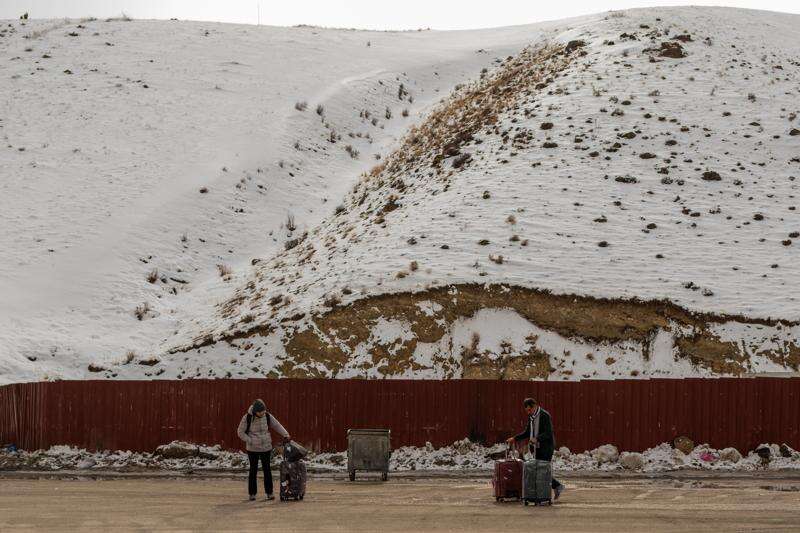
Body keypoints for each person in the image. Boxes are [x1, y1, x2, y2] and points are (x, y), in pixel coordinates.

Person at [506, 397, 565, 499]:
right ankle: (546, 490)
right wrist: (514, 438)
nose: (528, 412)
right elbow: (527, 432)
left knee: (542, 470)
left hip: (546, 447)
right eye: (527, 411)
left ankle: (553, 489)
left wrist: (537, 439)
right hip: (536, 448)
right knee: (537, 470)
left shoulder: (544, 415)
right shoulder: (531, 417)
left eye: (529, 410)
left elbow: (548, 433)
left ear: (535, 406)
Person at [237, 398, 291, 501]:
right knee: (253, 470)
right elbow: (240, 432)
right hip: (252, 449)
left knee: (267, 470)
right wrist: (250, 440)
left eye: (263, 411)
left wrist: (286, 434)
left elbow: (277, 425)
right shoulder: (247, 417)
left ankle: (269, 493)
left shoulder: (267, 416)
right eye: (260, 412)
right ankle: (252, 494)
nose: (262, 413)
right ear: (255, 411)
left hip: (266, 447)